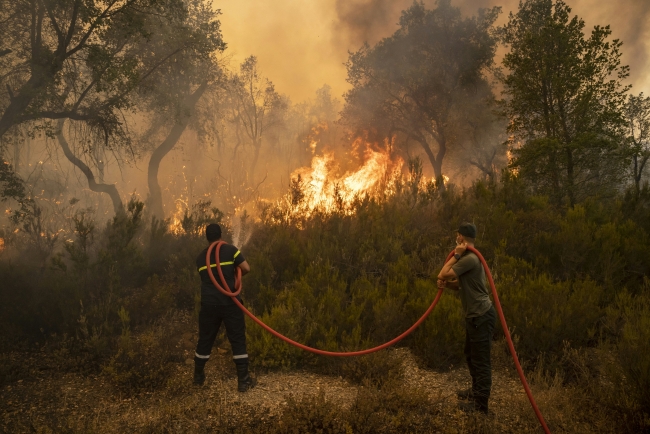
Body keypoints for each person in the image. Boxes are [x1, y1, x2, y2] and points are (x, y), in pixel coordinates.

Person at [437, 222, 496, 414]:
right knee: (471, 356)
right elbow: (461, 284)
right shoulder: (469, 257)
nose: (456, 237)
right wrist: (447, 285)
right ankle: (475, 392)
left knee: (481, 361)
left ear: (461, 238)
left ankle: (481, 407)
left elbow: (443, 273)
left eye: (457, 235)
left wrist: (455, 254)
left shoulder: (469, 258)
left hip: (481, 316)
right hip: (475, 316)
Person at [193, 223, 255, 392]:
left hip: (208, 305)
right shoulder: (231, 250)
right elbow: (246, 268)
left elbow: (208, 277)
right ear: (221, 234)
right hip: (230, 303)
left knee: (205, 340)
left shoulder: (200, 258)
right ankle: (243, 381)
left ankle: (198, 378)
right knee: (237, 339)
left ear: (207, 237)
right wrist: (235, 272)